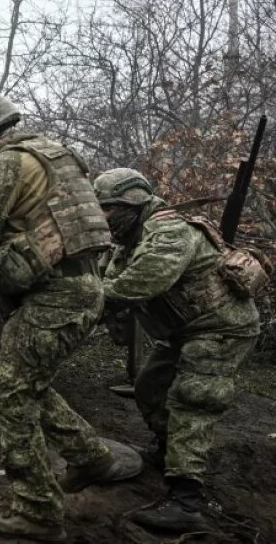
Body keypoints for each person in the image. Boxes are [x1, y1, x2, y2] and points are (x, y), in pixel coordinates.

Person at [0, 91, 134, 541]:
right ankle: (89, 457)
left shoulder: (6, 162)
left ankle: (37, 511)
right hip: (80, 287)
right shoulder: (54, 154)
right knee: (26, 383)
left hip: (56, 296)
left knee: (6, 397)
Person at [94, 168, 261, 534]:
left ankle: (185, 500)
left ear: (132, 203)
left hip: (221, 328)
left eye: (108, 208)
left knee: (192, 400)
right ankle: (171, 453)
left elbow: (140, 283)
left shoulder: (169, 232)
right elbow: (109, 282)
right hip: (185, 329)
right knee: (149, 387)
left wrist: (85, 303)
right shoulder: (131, 235)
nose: (102, 216)